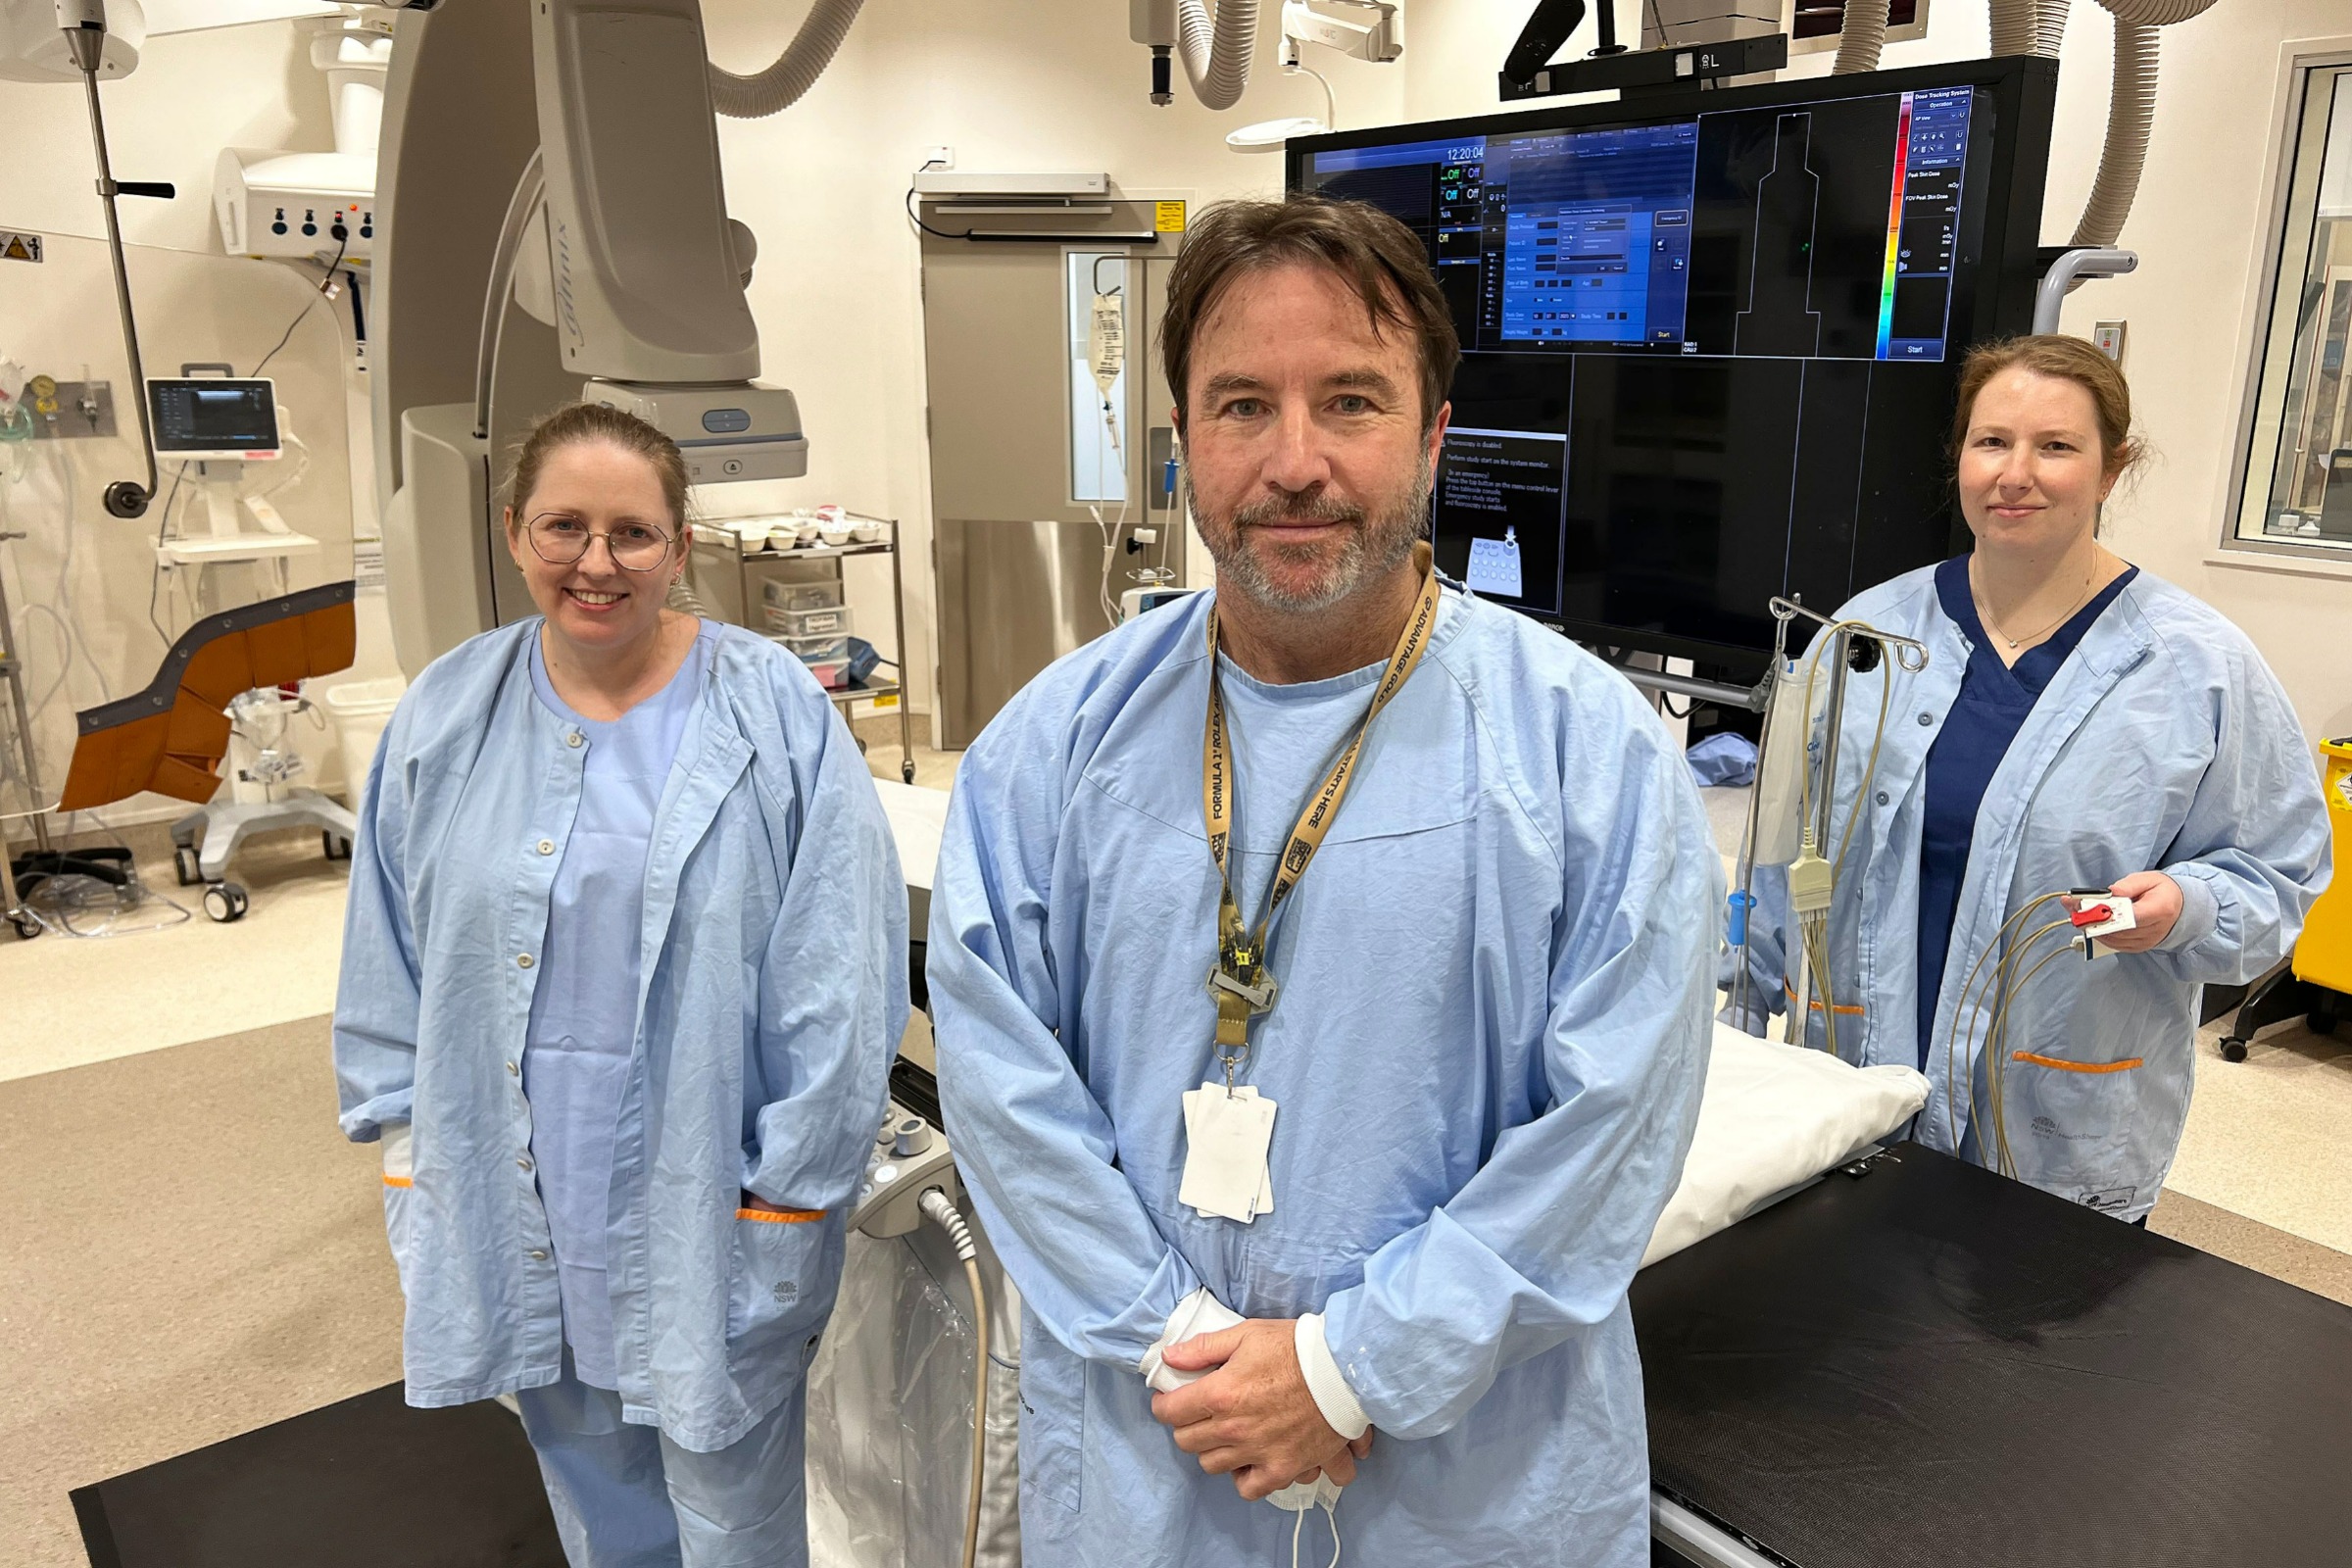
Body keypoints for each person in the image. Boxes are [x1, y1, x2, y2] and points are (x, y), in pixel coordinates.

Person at [927, 197, 1720, 1565]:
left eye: (1349, 401)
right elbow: (1005, 1093)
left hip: (1466, 1476)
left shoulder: (1586, 759)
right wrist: (1182, 1346)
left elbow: (1612, 1132)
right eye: (1243, 406)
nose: (1294, 464)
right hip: (1157, 1443)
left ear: (1433, 435)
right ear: (1182, 445)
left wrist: (1351, 1369)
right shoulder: (1056, 747)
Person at [332, 403, 906, 1567]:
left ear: (680, 547)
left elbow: (838, 981)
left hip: (712, 1205)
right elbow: (386, 947)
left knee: (733, 1510)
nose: (597, 563)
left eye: (633, 533)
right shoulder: (446, 711)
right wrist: (403, 1134)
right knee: (594, 1496)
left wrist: (792, 1188)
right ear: (514, 533)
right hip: (518, 1196)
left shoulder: (775, 712)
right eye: (565, 527)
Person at [1728, 334, 2331, 1220]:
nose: (2017, 473)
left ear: (2111, 470)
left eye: (2056, 446)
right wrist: (1740, 1033)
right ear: (1960, 458)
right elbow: (1783, 862)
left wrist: (2185, 904)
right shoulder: (1863, 640)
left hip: (2058, 1111)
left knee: (2024, 1347)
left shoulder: (2196, 669)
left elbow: (2278, 877)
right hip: (1850, 1087)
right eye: (1991, 442)